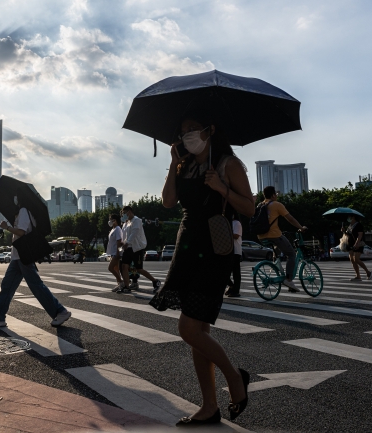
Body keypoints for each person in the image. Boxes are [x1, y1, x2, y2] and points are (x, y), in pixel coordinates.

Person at [161, 113, 254, 425]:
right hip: (187, 245)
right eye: (183, 130)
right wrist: (174, 163)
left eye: (192, 129)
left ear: (209, 130)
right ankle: (209, 406)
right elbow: (168, 201)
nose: (187, 135)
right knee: (198, 331)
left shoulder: (228, 164)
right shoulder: (183, 164)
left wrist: (221, 188)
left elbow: (250, 207)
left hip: (215, 247)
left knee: (188, 329)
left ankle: (235, 378)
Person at [0, 188, 71, 327]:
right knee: (7, 285)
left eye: (16, 196)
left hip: (23, 255)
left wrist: (7, 227)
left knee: (36, 286)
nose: (14, 199)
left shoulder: (24, 211)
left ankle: (60, 311)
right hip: (17, 256)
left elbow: (21, 232)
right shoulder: (21, 212)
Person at [257, 186, 308, 292]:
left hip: (261, 236)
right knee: (291, 254)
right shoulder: (276, 205)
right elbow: (290, 218)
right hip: (274, 235)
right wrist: (301, 227)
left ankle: (276, 266)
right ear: (273, 195)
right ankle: (288, 279)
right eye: (275, 194)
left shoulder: (260, 205)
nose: (276, 195)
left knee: (277, 250)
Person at [118, 206, 162, 294]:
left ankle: (155, 281)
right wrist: (122, 244)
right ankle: (126, 287)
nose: (123, 215)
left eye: (124, 213)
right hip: (128, 248)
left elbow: (134, 233)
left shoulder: (137, 220)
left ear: (129, 212)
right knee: (124, 267)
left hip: (136, 248)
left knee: (138, 269)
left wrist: (127, 243)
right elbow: (124, 235)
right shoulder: (126, 223)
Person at [342, 215, 372, 281]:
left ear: (353, 217)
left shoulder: (358, 225)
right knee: (352, 259)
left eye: (349, 217)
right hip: (350, 244)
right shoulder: (350, 226)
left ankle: (368, 272)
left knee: (356, 259)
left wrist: (357, 243)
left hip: (358, 244)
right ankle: (358, 276)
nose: (348, 218)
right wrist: (344, 231)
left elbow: (360, 235)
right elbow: (348, 235)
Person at [225, 214, 242, 297]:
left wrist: (225, 233)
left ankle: (235, 290)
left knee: (236, 272)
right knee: (224, 270)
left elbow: (236, 235)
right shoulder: (228, 222)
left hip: (235, 250)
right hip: (227, 249)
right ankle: (231, 285)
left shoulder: (237, 223)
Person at [107, 214, 124, 291]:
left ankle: (121, 282)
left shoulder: (117, 229)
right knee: (116, 268)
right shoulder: (113, 229)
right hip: (112, 252)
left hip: (116, 252)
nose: (110, 221)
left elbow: (119, 241)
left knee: (110, 268)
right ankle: (119, 284)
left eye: (112, 220)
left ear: (115, 220)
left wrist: (118, 252)